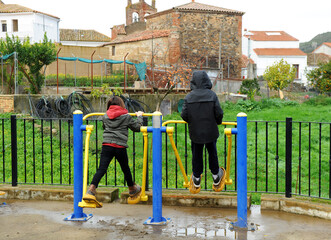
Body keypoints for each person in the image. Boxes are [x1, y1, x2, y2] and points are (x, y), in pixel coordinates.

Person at [83, 96, 143, 203]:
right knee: (125, 169)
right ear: (121, 105)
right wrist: (139, 117)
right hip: (120, 146)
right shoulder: (126, 116)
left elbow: (104, 127)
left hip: (107, 145)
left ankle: (91, 189)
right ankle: (132, 189)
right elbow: (137, 128)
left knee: (102, 169)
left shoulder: (106, 116)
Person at [181, 70, 226, 194]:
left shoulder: (189, 97)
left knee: (197, 154)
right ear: (207, 80)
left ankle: (196, 178)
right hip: (211, 130)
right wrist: (217, 122)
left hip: (195, 132)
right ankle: (216, 176)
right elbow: (219, 113)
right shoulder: (212, 95)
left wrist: (192, 121)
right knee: (212, 152)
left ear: (193, 82)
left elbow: (184, 115)